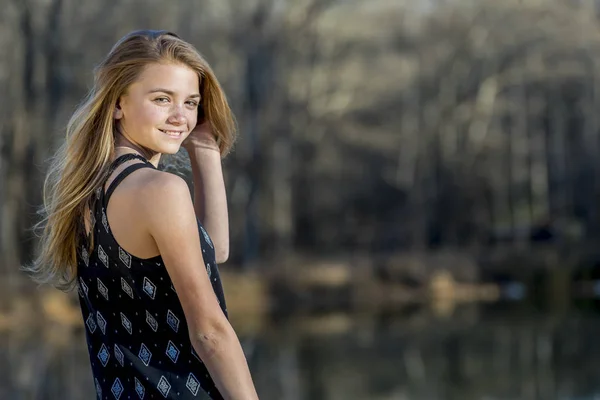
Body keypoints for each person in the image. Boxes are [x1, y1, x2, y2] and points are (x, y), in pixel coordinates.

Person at [25, 30, 259, 400]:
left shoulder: (89, 191)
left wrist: (204, 149)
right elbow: (210, 333)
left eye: (192, 102)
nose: (180, 116)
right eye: (162, 99)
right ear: (118, 103)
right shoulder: (159, 190)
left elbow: (213, 253)